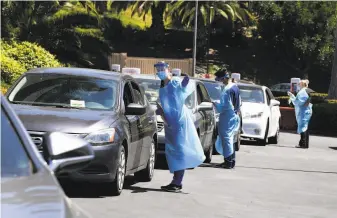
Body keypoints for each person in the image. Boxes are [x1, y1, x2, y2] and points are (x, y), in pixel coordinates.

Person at [154, 61, 205, 192]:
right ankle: (175, 181)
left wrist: (184, 83)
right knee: (173, 151)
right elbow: (168, 103)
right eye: (157, 69)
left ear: (167, 69)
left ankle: (177, 182)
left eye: (162, 68)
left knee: (179, 151)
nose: (159, 71)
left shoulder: (174, 82)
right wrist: (161, 111)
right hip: (169, 122)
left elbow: (182, 91)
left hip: (178, 122)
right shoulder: (162, 86)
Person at [213, 68, 240, 169]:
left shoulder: (227, 90)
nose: (218, 82)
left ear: (224, 78)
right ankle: (231, 160)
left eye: (219, 79)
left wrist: (215, 104)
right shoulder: (234, 87)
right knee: (230, 138)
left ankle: (228, 162)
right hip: (233, 115)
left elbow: (224, 106)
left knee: (226, 138)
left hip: (227, 116)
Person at [288, 79, 313, 149]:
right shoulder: (305, 91)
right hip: (306, 111)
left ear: (302, 84)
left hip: (303, 112)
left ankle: (303, 144)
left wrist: (292, 97)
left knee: (303, 128)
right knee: (305, 127)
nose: (298, 85)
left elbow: (298, 102)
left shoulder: (303, 92)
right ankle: (304, 144)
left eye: (300, 84)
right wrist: (293, 96)